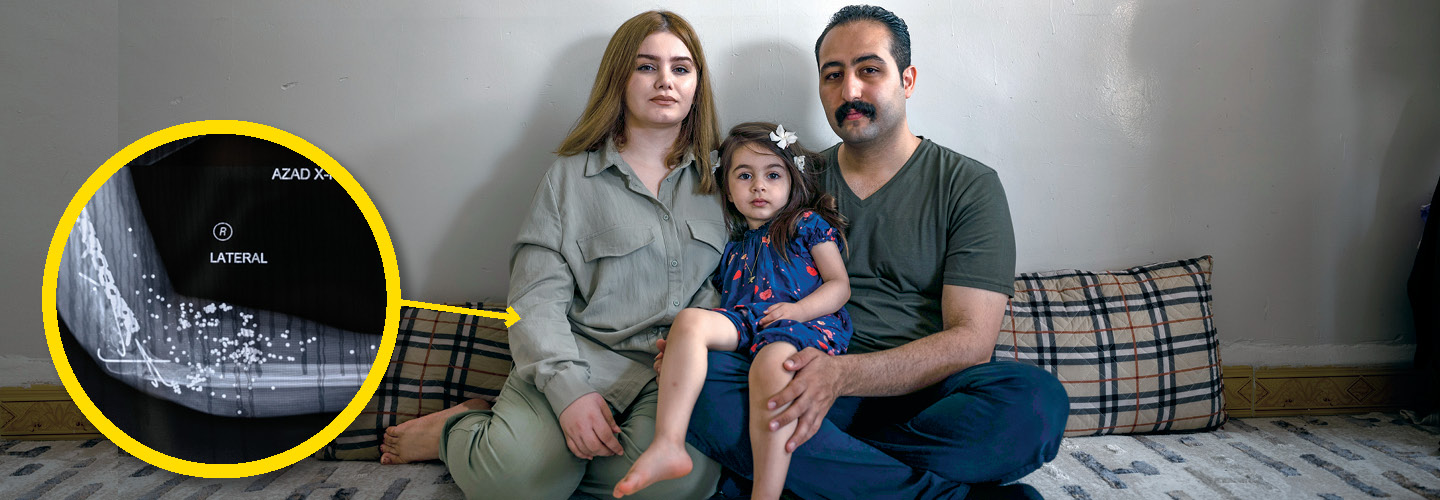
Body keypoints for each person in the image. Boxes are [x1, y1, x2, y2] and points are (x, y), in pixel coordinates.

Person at [682, 5, 1071, 499]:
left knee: (1035, 404)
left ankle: (829, 467)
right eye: (833, 75)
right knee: (696, 381)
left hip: (921, 401)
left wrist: (841, 376)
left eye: (869, 70)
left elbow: (972, 341)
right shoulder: (789, 183)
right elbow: (750, 281)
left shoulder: (967, 185)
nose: (850, 91)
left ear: (907, 79)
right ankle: (935, 492)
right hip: (796, 371)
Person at [379, 11, 726, 499]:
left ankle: (537, 456)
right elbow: (532, 300)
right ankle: (459, 431)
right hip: (575, 359)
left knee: (679, 486)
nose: (665, 81)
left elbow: (742, 282)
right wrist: (569, 395)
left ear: (697, 84)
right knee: (516, 483)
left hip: (667, 376)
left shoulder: (728, 180)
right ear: (619, 79)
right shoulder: (568, 178)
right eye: (646, 66)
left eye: (681, 68)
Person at [614, 122, 852, 500]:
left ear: (792, 180)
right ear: (727, 187)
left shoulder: (806, 225)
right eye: (744, 176)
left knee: (773, 365)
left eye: (773, 174)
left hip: (804, 322)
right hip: (749, 320)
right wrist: (682, 348)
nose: (759, 185)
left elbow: (839, 285)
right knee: (689, 322)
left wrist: (799, 310)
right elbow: (720, 304)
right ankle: (668, 442)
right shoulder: (732, 244)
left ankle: (765, 492)